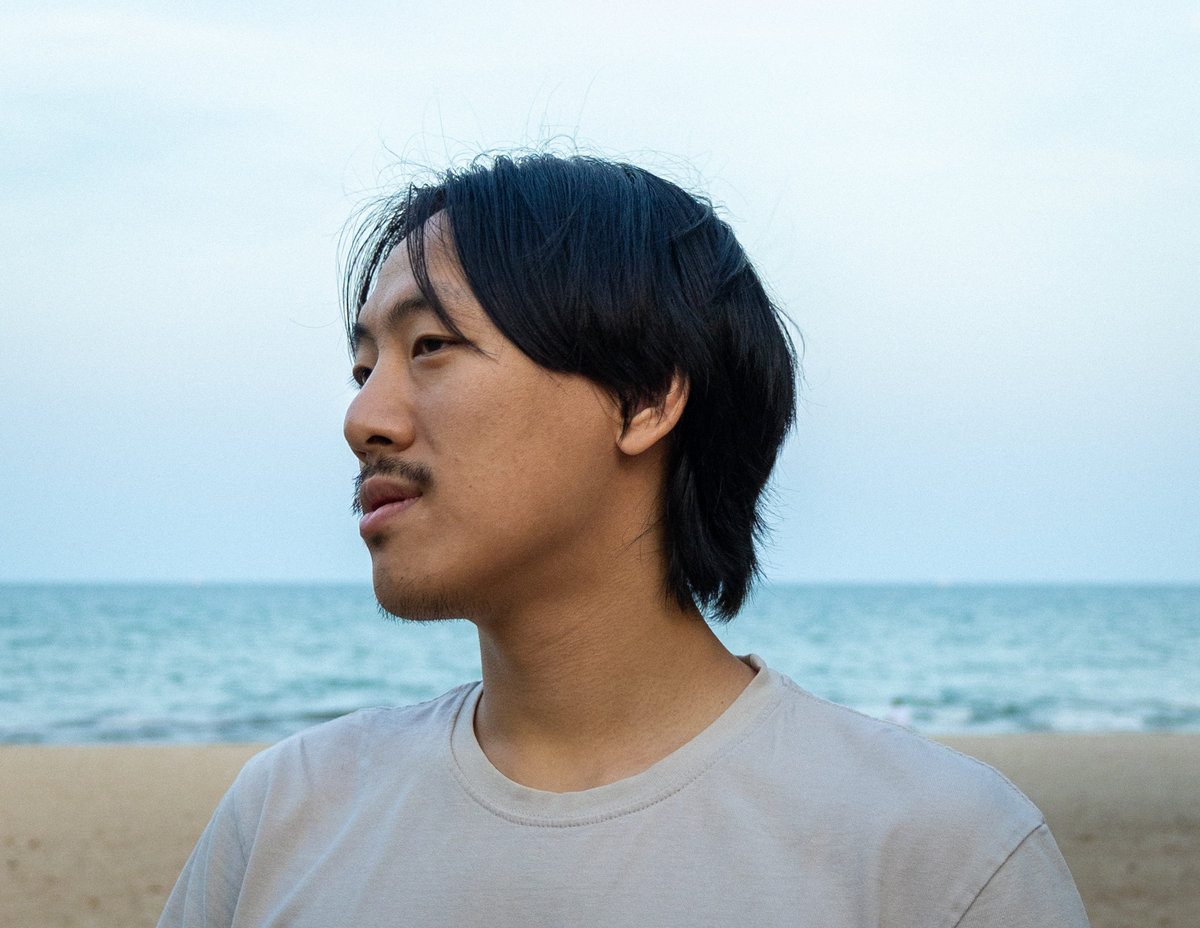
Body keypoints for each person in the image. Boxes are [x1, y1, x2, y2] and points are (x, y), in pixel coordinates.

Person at [158, 153, 1089, 926]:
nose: (364, 418)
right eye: (363, 367)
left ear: (644, 398)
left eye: (430, 346)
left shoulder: (938, 855)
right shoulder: (286, 814)